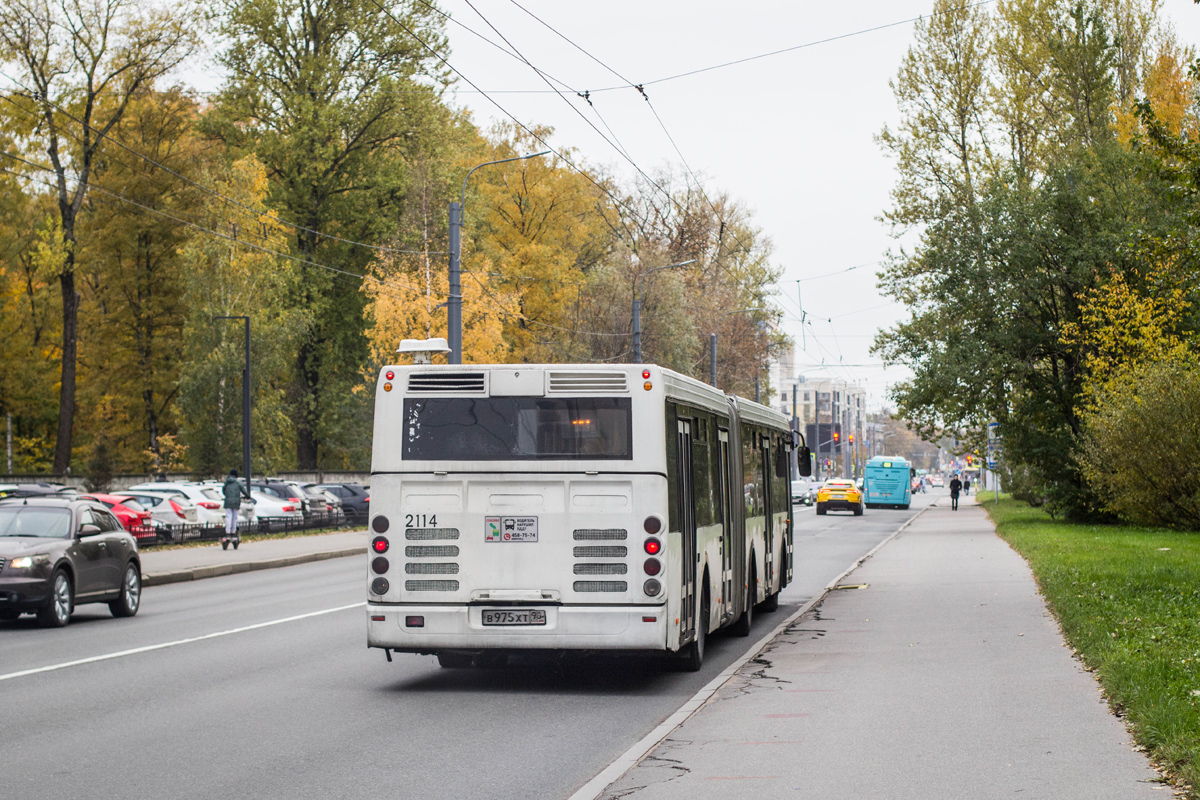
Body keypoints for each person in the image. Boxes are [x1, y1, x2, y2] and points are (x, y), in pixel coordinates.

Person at [222, 469, 251, 540]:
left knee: (228, 516)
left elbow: (223, 490)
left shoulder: (227, 482)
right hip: (236, 501)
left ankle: (227, 532)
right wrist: (248, 496)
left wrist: (227, 495)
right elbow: (243, 491)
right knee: (234, 517)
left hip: (228, 501)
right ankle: (233, 532)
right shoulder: (238, 482)